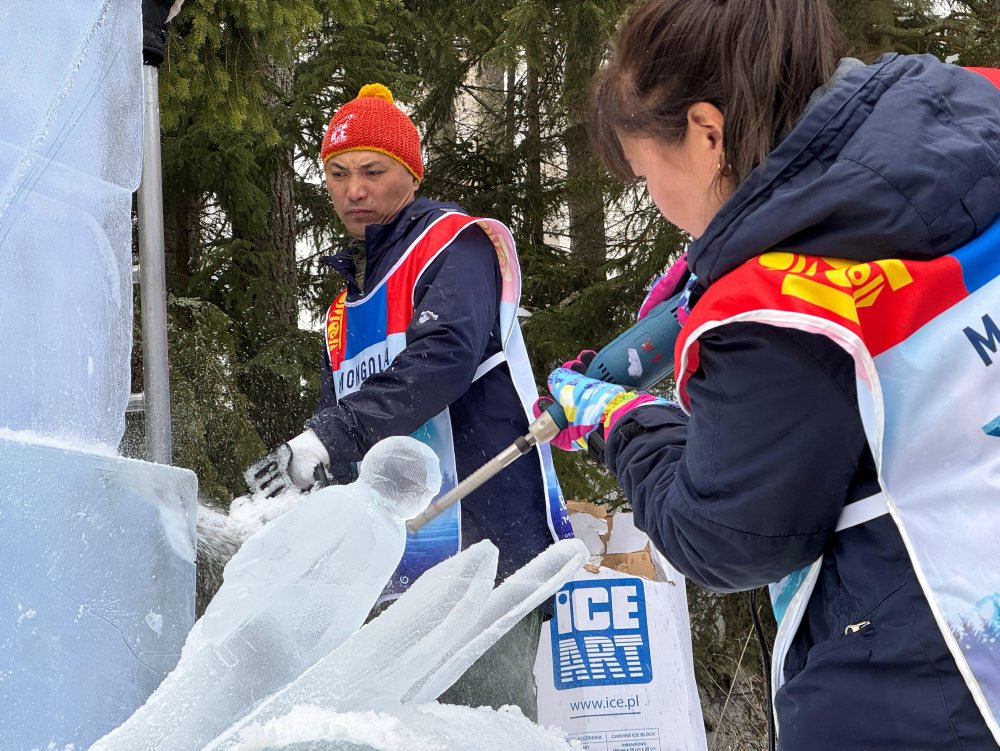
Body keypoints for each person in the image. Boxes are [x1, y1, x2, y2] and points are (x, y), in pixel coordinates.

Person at [540, 0, 1000, 748]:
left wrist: (621, 420)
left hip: (936, 680)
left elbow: (729, 537)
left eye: (646, 176)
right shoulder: (974, 104)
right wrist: (737, 250)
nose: (656, 203)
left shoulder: (772, 310)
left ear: (706, 133)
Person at [246, 83, 573, 719]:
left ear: (411, 173)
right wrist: (306, 492)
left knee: (479, 728)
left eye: (373, 171)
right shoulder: (346, 308)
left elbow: (444, 359)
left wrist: (327, 439)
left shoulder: (455, 244)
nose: (354, 190)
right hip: (396, 569)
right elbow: (343, 428)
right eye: (338, 174)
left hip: (485, 550)